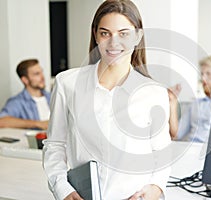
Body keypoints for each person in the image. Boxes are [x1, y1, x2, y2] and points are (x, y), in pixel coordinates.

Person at [43, 1, 171, 200]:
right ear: (96, 35)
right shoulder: (67, 83)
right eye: (105, 33)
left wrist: (155, 188)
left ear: (138, 36)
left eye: (123, 33)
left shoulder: (154, 92)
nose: (113, 43)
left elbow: (161, 154)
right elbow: (55, 145)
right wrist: (63, 190)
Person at [175, 55, 211, 142]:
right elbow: (177, 134)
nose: (203, 79)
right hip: (190, 148)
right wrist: (173, 101)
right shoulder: (196, 103)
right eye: (202, 74)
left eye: (208, 74)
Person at [0, 59, 50, 130]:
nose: (42, 77)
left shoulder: (52, 96)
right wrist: (38, 123)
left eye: (42, 72)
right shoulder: (17, 102)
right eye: (37, 74)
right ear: (25, 80)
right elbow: (2, 121)